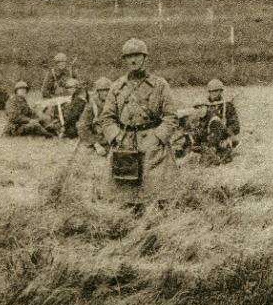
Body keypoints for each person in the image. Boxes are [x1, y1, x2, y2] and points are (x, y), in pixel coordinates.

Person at [96, 37, 179, 207]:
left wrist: (157, 138)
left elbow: (171, 117)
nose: (133, 60)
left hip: (153, 145)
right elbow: (106, 118)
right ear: (125, 60)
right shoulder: (117, 86)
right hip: (124, 143)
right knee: (122, 194)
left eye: (137, 56)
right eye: (129, 57)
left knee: (157, 195)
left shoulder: (160, 85)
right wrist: (116, 137)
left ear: (145, 58)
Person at [195, 78, 241, 165]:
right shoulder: (203, 105)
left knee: (224, 158)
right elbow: (198, 125)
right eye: (211, 91)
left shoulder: (227, 105)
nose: (213, 93)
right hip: (206, 137)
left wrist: (227, 138)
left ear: (220, 91)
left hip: (222, 137)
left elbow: (235, 125)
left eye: (216, 91)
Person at [80, 77, 113, 155]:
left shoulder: (115, 103)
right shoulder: (91, 105)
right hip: (99, 138)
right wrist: (96, 145)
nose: (105, 93)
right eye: (102, 90)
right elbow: (82, 126)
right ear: (97, 92)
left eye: (107, 90)